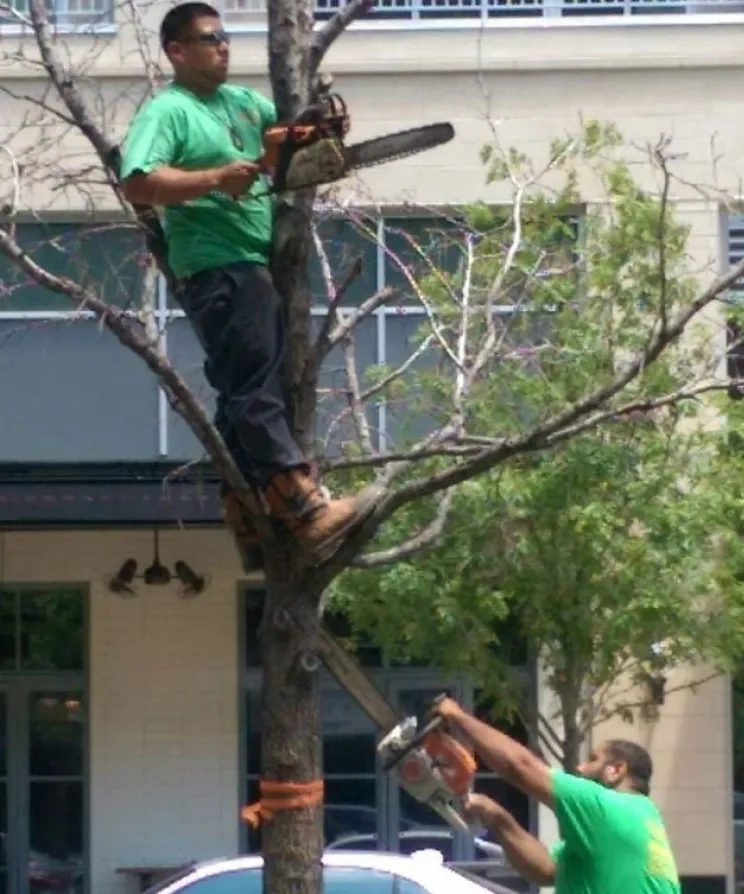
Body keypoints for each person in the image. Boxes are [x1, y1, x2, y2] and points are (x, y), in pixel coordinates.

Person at [119, 2, 379, 563]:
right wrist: (215, 177)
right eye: (209, 38)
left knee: (243, 387)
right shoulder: (170, 111)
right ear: (177, 50)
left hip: (250, 261)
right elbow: (138, 182)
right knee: (256, 390)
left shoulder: (241, 103)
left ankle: (247, 515)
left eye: (225, 37)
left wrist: (311, 133)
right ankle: (304, 508)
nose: (222, 47)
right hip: (218, 264)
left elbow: (283, 142)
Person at [432, 697, 681, 894]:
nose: (580, 768)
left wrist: (457, 716)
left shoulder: (608, 808)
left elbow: (521, 767)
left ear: (615, 770)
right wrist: (498, 818)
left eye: (592, 760)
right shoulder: (642, 818)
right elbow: (547, 870)